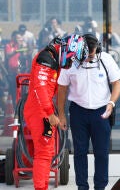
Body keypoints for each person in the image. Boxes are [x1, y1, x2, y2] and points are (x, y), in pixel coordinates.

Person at [57, 33, 120, 190]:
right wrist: (61, 114)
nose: (90, 57)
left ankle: (100, 187)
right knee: (80, 152)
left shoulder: (105, 59)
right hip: (78, 112)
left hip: (101, 111)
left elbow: (117, 84)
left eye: (93, 54)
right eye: (87, 55)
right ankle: (82, 186)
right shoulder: (70, 62)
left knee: (101, 152)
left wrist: (111, 103)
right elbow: (61, 89)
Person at [23, 34, 85, 190]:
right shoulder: (46, 59)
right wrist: (50, 113)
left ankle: (41, 186)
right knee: (44, 152)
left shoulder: (53, 58)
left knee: (47, 151)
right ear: (67, 51)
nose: (70, 64)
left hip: (42, 110)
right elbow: (40, 88)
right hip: (39, 111)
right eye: (71, 60)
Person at [4, 30, 29, 104]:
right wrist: (17, 50)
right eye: (17, 37)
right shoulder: (9, 45)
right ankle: (15, 108)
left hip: (22, 72)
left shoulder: (23, 45)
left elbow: (26, 55)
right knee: (14, 91)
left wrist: (22, 46)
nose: (18, 39)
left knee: (23, 91)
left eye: (20, 37)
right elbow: (8, 55)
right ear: (13, 37)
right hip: (12, 72)